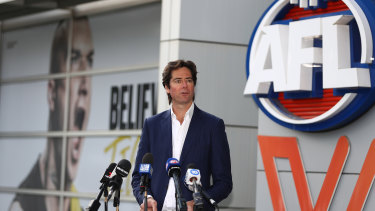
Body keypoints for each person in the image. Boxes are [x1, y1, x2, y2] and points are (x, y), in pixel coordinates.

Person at [9, 16, 94, 211]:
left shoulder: (74, 203)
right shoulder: (22, 206)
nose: (85, 85)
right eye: (74, 59)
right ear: (52, 93)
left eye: (89, 61)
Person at [131, 60, 233, 211]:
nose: (184, 85)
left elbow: (224, 183)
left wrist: (198, 203)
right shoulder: (151, 125)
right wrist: (147, 198)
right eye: (178, 81)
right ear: (167, 87)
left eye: (189, 80)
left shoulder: (213, 126)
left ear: (194, 85)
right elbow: (139, 176)